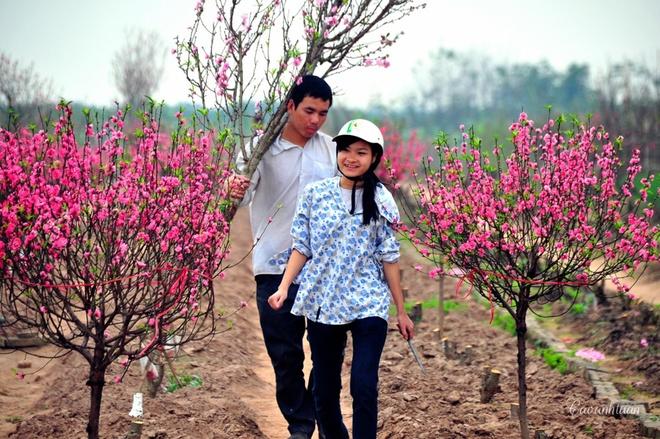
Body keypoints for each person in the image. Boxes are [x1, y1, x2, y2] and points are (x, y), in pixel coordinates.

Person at [268, 119, 415, 439]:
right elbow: (301, 246)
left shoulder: (382, 200)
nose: (351, 157)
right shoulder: (315, 195)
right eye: (345, 150)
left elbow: (390, 258)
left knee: (363, 384)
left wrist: (401, 311)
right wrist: (283, 288)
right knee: (325, 390)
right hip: (324, 300)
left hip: (368, 302)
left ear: (374, 158)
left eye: (361, 152)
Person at [231, 75, 336, 439]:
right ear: (290, 106)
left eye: (323, 113)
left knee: (326, 355)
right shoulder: (261, 150)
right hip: (273, 268)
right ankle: (300, 424)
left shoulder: (330, 151)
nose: (315, 120)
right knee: (286, 355)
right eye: (309, 110)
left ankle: (323, 420)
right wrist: (236, 185)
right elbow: (240, 200)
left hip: (323, 269)